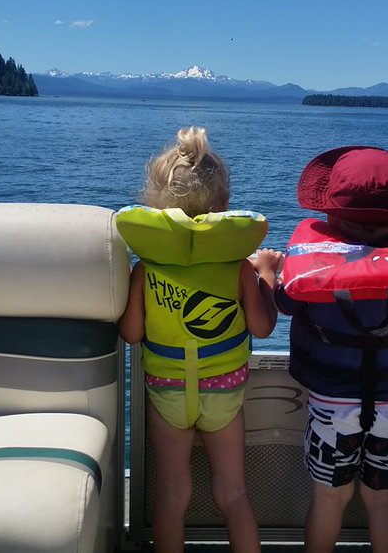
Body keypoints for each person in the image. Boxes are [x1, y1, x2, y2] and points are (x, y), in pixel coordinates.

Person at [277, 146, 388, 553]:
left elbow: (285, 302)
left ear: (333, 212)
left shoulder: (313, 264)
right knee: (384, 501)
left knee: (329, 500)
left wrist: (269, 270)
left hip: (331, 405)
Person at [115, 126, 281, 553]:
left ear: (158, 207)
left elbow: (131, 333)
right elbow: (262, 328)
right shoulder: (239, 268)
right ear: (224, 207)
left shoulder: (145, 269)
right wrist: (267, 274)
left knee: (172, 496)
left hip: (169, 393)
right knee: (233, 493)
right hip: (223, 393)